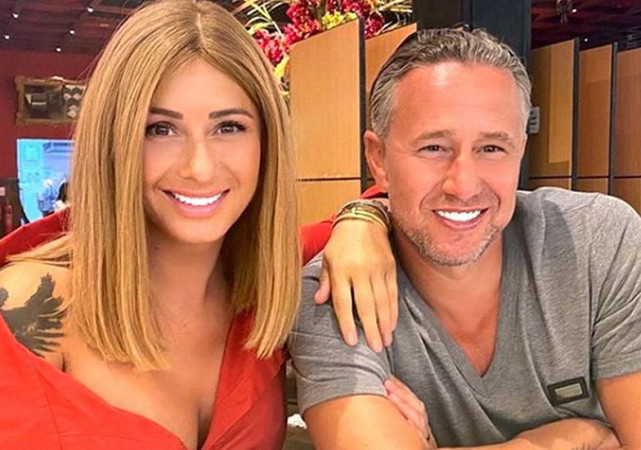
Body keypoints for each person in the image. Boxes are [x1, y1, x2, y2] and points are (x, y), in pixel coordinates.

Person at [0, 1, 417, 448]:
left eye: (229, 127)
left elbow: (392, 205)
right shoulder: (27, 305)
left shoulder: (271, 278)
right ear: (114, 143)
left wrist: (362, 221)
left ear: (266, 141)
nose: (199, 168)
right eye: (160, 129)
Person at [290, 28, 641, 448]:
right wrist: (564, 439)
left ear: (520, 151)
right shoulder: (336, 293)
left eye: (492, 148)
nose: (464, 185)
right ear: (378, 159)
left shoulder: (597, 242)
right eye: (434, 148)